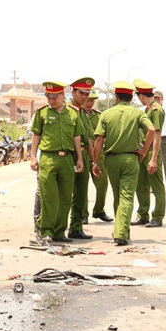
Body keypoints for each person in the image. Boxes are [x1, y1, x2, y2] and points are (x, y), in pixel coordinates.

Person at [91, 81, 159, 246]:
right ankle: (122, 232)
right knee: (127, 196)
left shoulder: (106, 114)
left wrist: (95, 162)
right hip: (131, 159)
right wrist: (144, 151)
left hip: (112, 159)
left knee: (117, 196)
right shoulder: (137, 113)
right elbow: (151, 130)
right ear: (131, 98)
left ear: (116, 97)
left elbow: (99, 139)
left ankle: (119, 230)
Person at [30, 81, 84, 243]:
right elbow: (36, 135)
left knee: (65, 197)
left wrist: (79, 158)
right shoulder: (42, 113)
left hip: (67, 159)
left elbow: (77, 137)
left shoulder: (73, 114)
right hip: (48, 158)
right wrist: (33, 156)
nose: (51, 101)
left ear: (63, 95)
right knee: (48, 197)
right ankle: (47, 231)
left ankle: (60, 232)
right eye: (48, 97)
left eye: (54, 97)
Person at [131, 79, 166, 228]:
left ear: (140, 95)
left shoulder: (156, 110)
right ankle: (143, 214)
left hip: (152, 151)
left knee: (156, 186)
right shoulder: (148, 109)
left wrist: (153, 158)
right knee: (142, 184)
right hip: (144, 151)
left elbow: (157, 135)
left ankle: (157, 216)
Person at [67, 77, 96, 240]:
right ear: (73, 92)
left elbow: (90, 139)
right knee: (65, 194)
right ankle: (58, 228)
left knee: (80, 194)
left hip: (83, 155)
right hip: (70, 155)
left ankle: (76, 227)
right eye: (81, 93)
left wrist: (93, 161)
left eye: (87, 94)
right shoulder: (66, 111)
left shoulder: (83, 114)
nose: (84, 97)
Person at [83, 91, 113, 222]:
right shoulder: (77, 114)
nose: (89, 103)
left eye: (92, 100)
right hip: (82, 152)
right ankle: (82, 214)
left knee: (102, 183)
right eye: (88, 100)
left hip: (97, 153)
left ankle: (99, 210)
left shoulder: (99, 116)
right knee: (81, 185)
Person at [154, 90, 166, 194]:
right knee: (154, 162)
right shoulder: (149, 111)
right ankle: (155, 186)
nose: (156, 100)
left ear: (162, 99)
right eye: (155, 98)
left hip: (164, 139)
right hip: (153, 139)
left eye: (158, 98)